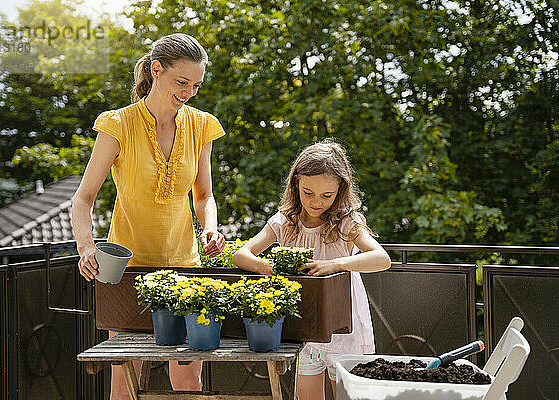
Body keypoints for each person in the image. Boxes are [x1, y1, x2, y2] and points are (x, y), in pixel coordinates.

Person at [71, 33, 226, 399]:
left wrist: (211, 229)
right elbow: (83, 198)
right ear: (157, 70)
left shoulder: (203, 126)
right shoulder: (117, 124)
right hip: (128, 273)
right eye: (181, 82)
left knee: (188, 383)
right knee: (126, 385)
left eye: (196, 85)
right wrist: (86, 247)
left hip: (186, 270)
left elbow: (204, 195)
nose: (188, 92)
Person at [233, 139, 391, 400]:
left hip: (344, 329)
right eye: (308, 192)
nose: (317, 202)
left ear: (340, 188)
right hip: (305, 330)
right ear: (296, 183)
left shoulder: (346, 222)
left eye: (326, 195)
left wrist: (335, 264)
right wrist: (265, 267)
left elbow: (381, 258)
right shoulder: (285, 222)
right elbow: (241, 255)